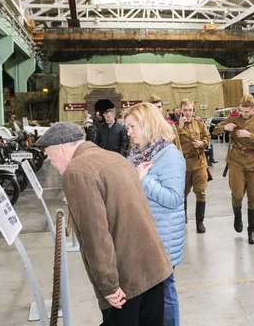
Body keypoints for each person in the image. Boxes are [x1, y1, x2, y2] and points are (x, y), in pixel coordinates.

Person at [34, 122, 172, 325]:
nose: (51, 163)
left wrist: (108, 285)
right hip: (154, 267)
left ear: (62, 149)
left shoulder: (77, 171)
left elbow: (95, 236)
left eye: (50, 155)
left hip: (126, 280)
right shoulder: (115, 158)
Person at [124, 103, 186, 326]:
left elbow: (173, 199)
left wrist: (143, 179)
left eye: (132, 126)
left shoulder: (170, 156)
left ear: (147, 124)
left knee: (166, 294)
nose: (129, 132)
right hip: (147, 236)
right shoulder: (140, 154)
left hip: (163, 238)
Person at [213, 94, 254, 244]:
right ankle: (237, 215)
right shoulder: (234, 118)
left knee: (253, 197)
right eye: (242, 111)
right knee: (237, 194)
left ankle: (252, 230)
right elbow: (215, 130)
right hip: (237, 161)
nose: (244, 114)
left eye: (247, 111)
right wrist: (225, 127)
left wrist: (249, 135)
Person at [176, 98, 211, 234]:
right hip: (184, 165)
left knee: (201, 191)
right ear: (180, 111)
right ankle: (182, 216)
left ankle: (200, 222)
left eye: (190, 110)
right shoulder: (175, 126)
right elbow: (172, 142)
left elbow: (207, 137)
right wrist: (179, 128)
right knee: (182, 193)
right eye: (185, 110)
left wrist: (201, 143)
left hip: (199, 162)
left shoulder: (199, 123)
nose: (188, 113)